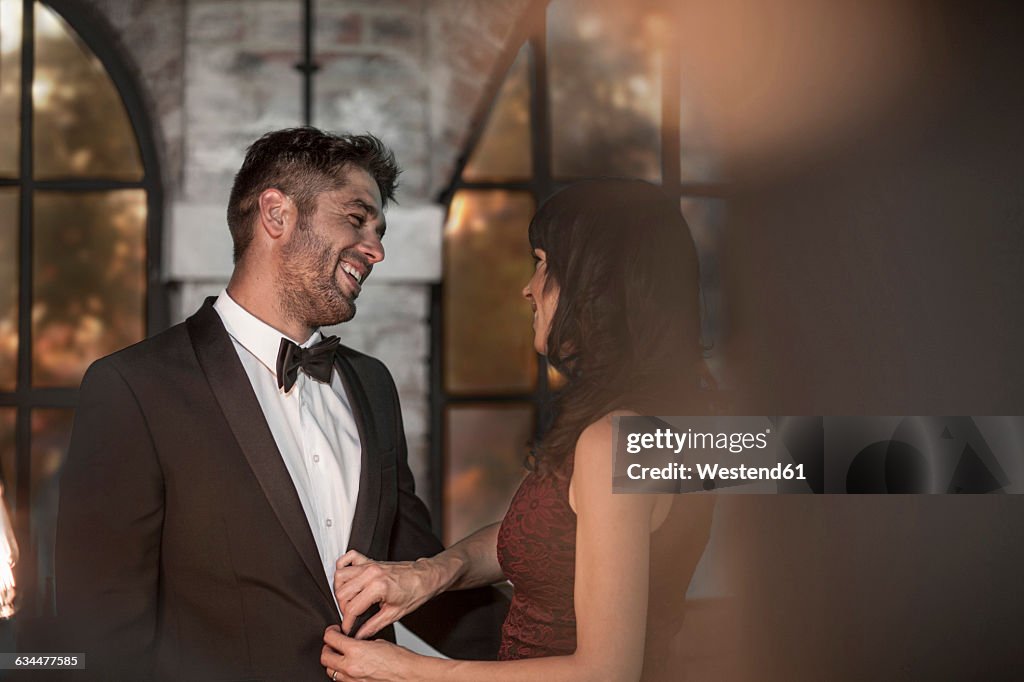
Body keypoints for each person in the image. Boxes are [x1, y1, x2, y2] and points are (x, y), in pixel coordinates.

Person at [55, 128, 507, 681]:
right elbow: (99, 626)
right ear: (276, 214)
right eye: (357, 218)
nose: (377, 249)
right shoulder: (134, 386)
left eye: (379, 230)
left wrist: (566, 656)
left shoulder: (374, 386)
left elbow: (418, 574)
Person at [323, 179, 716, 681]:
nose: (529, 286)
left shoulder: (611, 441)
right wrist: (431, 574)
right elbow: (554, 535)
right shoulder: (670, 421)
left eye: (543, 261)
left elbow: (605, 673)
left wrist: (411, 670)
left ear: (593, 283)